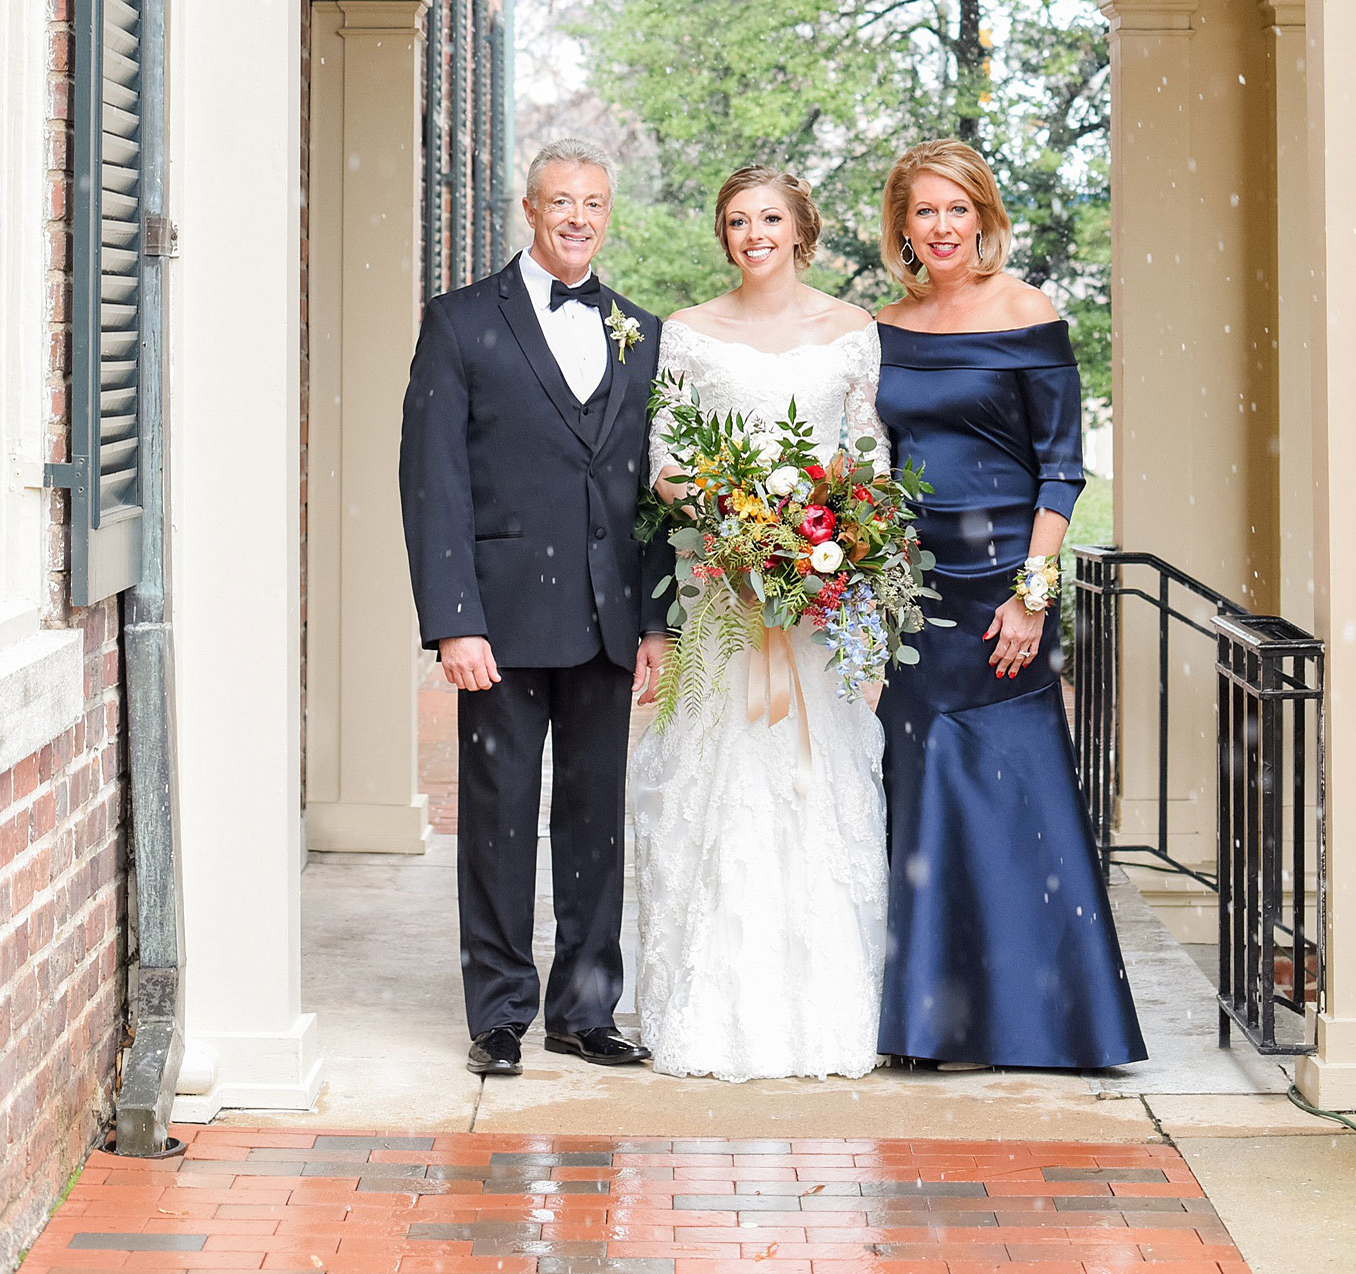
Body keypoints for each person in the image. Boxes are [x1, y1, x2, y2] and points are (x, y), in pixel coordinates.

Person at [397, 136, 672, 1079]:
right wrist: (454, 618)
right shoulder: (461, 324)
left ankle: (586, 1009)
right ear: (529, 208)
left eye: (594, 203)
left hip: (606, 620)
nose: (578, 219)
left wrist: (655, 621)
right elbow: (431, 482)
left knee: (597, 821)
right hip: (502, 624)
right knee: (501, 818)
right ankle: (500, 1014)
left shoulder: (642, 332)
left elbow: (652, 493)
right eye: (561, 202)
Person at [874, 139, 1145, 1071]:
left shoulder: (1030, 314)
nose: (941, 228)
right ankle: (929, 1024)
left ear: (983, 217)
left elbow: (1062, 467)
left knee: (1015, 793)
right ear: (902, 226)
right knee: (920, 793)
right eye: (924, 212)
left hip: (1004, 587)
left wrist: (1031, 596)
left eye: (957, 210)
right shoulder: (885, 326)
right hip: (912, 588)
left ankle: (1050, 1022)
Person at [630, 165, 890, 1080]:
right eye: (737, 220)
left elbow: (868, 468)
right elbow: (663, 462)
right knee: (721, 781)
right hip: (724, 598)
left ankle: (821, 1008)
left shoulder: (853, 332)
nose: (754, 234)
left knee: (815, 789)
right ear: (723, 234)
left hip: (818, 606)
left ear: (801, 228)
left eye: (770, 218)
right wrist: (738, 533)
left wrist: (824, 548)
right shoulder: (690, 335)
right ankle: (711, 1006)